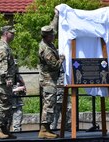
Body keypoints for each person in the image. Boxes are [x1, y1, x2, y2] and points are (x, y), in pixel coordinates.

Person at [38, 9, 65, 139]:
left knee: (50, 104)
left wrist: (56, 15)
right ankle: (44, 130)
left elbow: (52, 26)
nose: (54, 36)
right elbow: (54, 66)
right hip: (48, 80)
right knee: (49, 104)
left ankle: (47, 129)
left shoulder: (47, 42)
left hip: (50, 80)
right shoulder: (46, 50)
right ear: (47, 36)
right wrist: (62, 59)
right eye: (52, 35)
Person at [0, 25, 17, 139]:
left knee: (8, 105)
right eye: (12, 33)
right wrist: (7, 78)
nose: (14, 35)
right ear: (6, 33)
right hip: (2, 81)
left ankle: (4, 129)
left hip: (5, 81)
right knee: (4, 104)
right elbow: (2, 65)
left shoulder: (6, 46)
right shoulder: (2, 47)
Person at [50, 66, 71, 130]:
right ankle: (53, 129)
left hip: (64, 95)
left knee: (67, 113)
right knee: (55, 115)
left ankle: (67, 127)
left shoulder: (66, 72)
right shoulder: (53, 72)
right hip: (56, 96)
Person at [12, 59, 26, 132]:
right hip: (8, 104)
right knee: (6, 124)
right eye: (14, 66)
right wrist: (15, 90)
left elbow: (24, 90)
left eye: (16, 66)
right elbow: (2, 91)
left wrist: (22, 89)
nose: (15, 68)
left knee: (17, 125)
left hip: (18, 103)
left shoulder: (19, 77)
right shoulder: (5, 77)